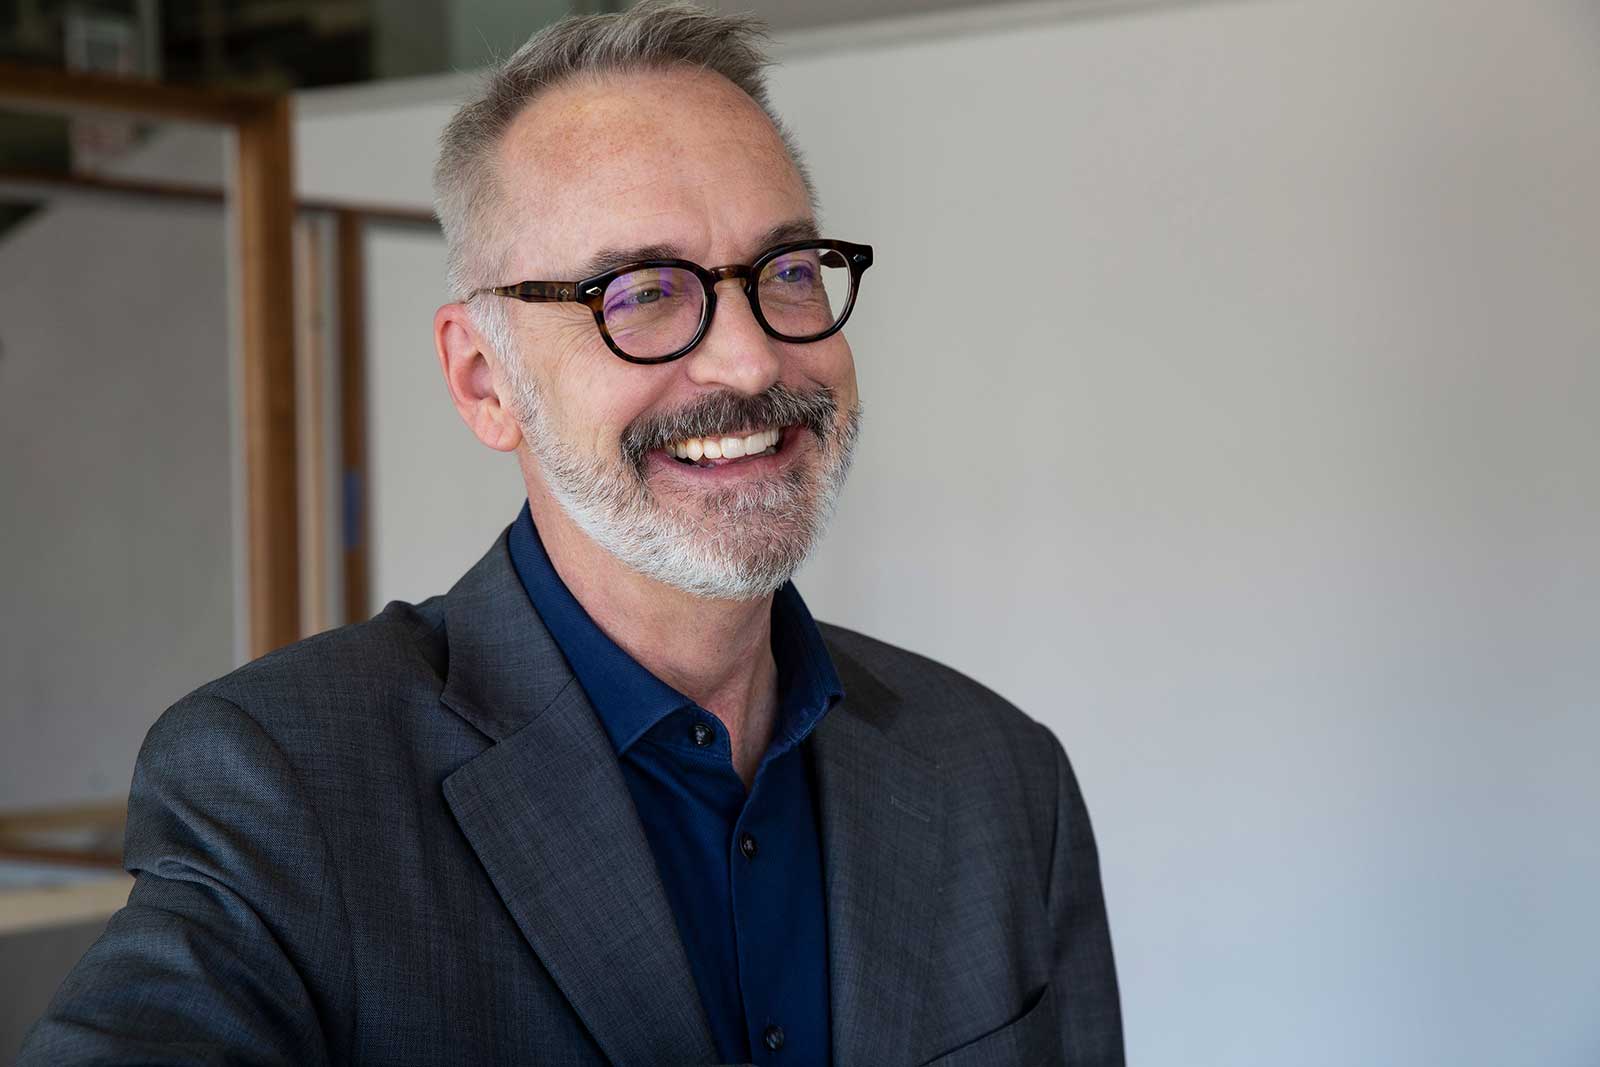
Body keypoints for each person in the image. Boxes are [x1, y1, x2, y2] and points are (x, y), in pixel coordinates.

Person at [20, 3, 1123, 1064]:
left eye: (786, 271)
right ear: (482, 377)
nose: (748, 360)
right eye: (641, 291)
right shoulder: (286, 784)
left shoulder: (999, 777)